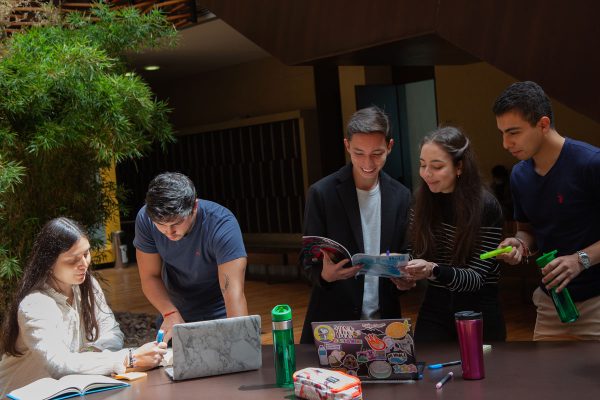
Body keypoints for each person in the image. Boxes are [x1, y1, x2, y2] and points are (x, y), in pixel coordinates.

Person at [0, 218, 166, 397]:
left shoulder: (88, 285)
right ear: (48, 263)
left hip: (68, 391)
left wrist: (90, 353)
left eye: (86, 254)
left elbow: (112, 333)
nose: (84, 264)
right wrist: (129, 358)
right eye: (72, 260)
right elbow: (58, 364)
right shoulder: (36, 305)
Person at [493, 81, 600, 340]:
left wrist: (580, 260)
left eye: (514, 132)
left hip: (597, 299)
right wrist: (518, 244)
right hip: (551, 302)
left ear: (542, 124)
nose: (506, 143)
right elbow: (528, 231)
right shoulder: (519, 175)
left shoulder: (590, 163)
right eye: (502, 133)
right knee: (542, 379)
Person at [300, 106, 412, 344]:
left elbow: (407, 252)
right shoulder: (322, 193)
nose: (368, 163)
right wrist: (325, 275)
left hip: (384, 323)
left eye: (377, 153)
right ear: (347, 145)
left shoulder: (401, 195)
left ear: (390, 147)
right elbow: (307, 260)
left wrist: (406, 278)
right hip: (333, 320)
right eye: (359, 153)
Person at [392, 126, 506, 342]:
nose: (427, 174)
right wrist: (404, 272)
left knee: (484, 373)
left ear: (459, 166)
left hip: (478, 310)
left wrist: (433, 269)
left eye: (437, 166)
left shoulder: (486, 206)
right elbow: (415, 251)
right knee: (425, 369)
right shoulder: (422, 200)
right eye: (423, 165)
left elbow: (476, 278)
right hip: (435, 304)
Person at [134, 172, 248, 343]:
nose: (169, 232)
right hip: (174, 310)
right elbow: (150, 277)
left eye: (176, 223)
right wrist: (170, 313)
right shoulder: (146, 219)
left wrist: (239, 341)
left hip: (220, 312)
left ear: (194, 207)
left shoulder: (221, 224)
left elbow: (233, 293)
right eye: (161, 225)